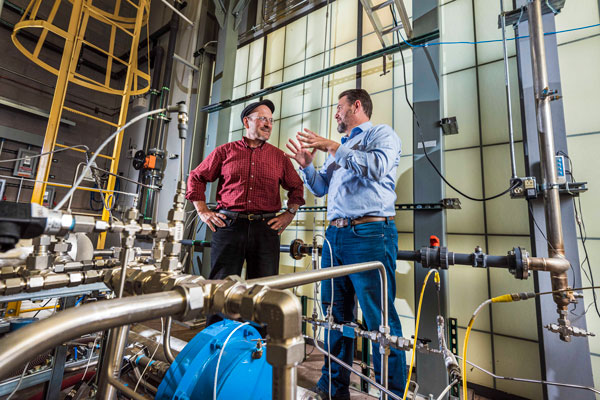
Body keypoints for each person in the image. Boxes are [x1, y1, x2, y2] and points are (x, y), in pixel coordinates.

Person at [286, 89, 407, 399]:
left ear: (356, 106)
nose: (335, 114)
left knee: (379, 320)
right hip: (335, 237)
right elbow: (321, 187)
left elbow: (377, 167)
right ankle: (332, 390)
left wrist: (332, 146)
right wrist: (307, 166)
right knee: (336, 318)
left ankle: (391, 394)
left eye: (338, 108)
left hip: (368, 234)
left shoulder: (381, 134)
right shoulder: (341, 149)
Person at [186, 99, 305, 285]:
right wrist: (202, 211)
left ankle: (254, 316)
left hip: (266, 229)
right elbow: (196, 177)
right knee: (221, 287)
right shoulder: (224, 152)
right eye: (263, 119)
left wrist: (289, 214)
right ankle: (220, 316)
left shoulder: (279, 157)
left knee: (263, 289)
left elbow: (297, 187)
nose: (268, 124)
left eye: (271, 120)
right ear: (246, 122)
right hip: (229, 226)